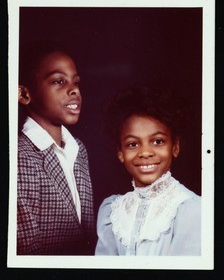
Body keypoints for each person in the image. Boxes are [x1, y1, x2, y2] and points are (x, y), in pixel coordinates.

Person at [95, 85, 201, 256]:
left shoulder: (190, 209)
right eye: (133, 144)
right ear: (120, 153)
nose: (145, 152)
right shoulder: (112, 211)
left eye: (158, 141)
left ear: (175, 147)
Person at [17, 41, 95, 255]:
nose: (74, 90)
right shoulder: (19, 157)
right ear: (24, 94)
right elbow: (25, 251)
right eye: (59, 81)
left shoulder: (78, 150)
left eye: (76, 82)